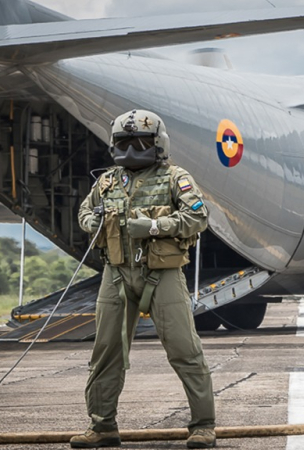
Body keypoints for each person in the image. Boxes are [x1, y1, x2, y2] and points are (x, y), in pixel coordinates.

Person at [71, 110, 216, 449]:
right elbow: (83, 212)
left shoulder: (174, 178)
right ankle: (102, 425)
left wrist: (154, 227)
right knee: (106, 352)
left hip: (161, 275)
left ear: (157, 143)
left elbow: (198, 216)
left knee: (184, 349)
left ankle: (203, 425)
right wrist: (92, 222)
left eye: (140, 142)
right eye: (124, 142)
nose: (132, 148)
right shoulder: (107, 181)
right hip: (116, 274)